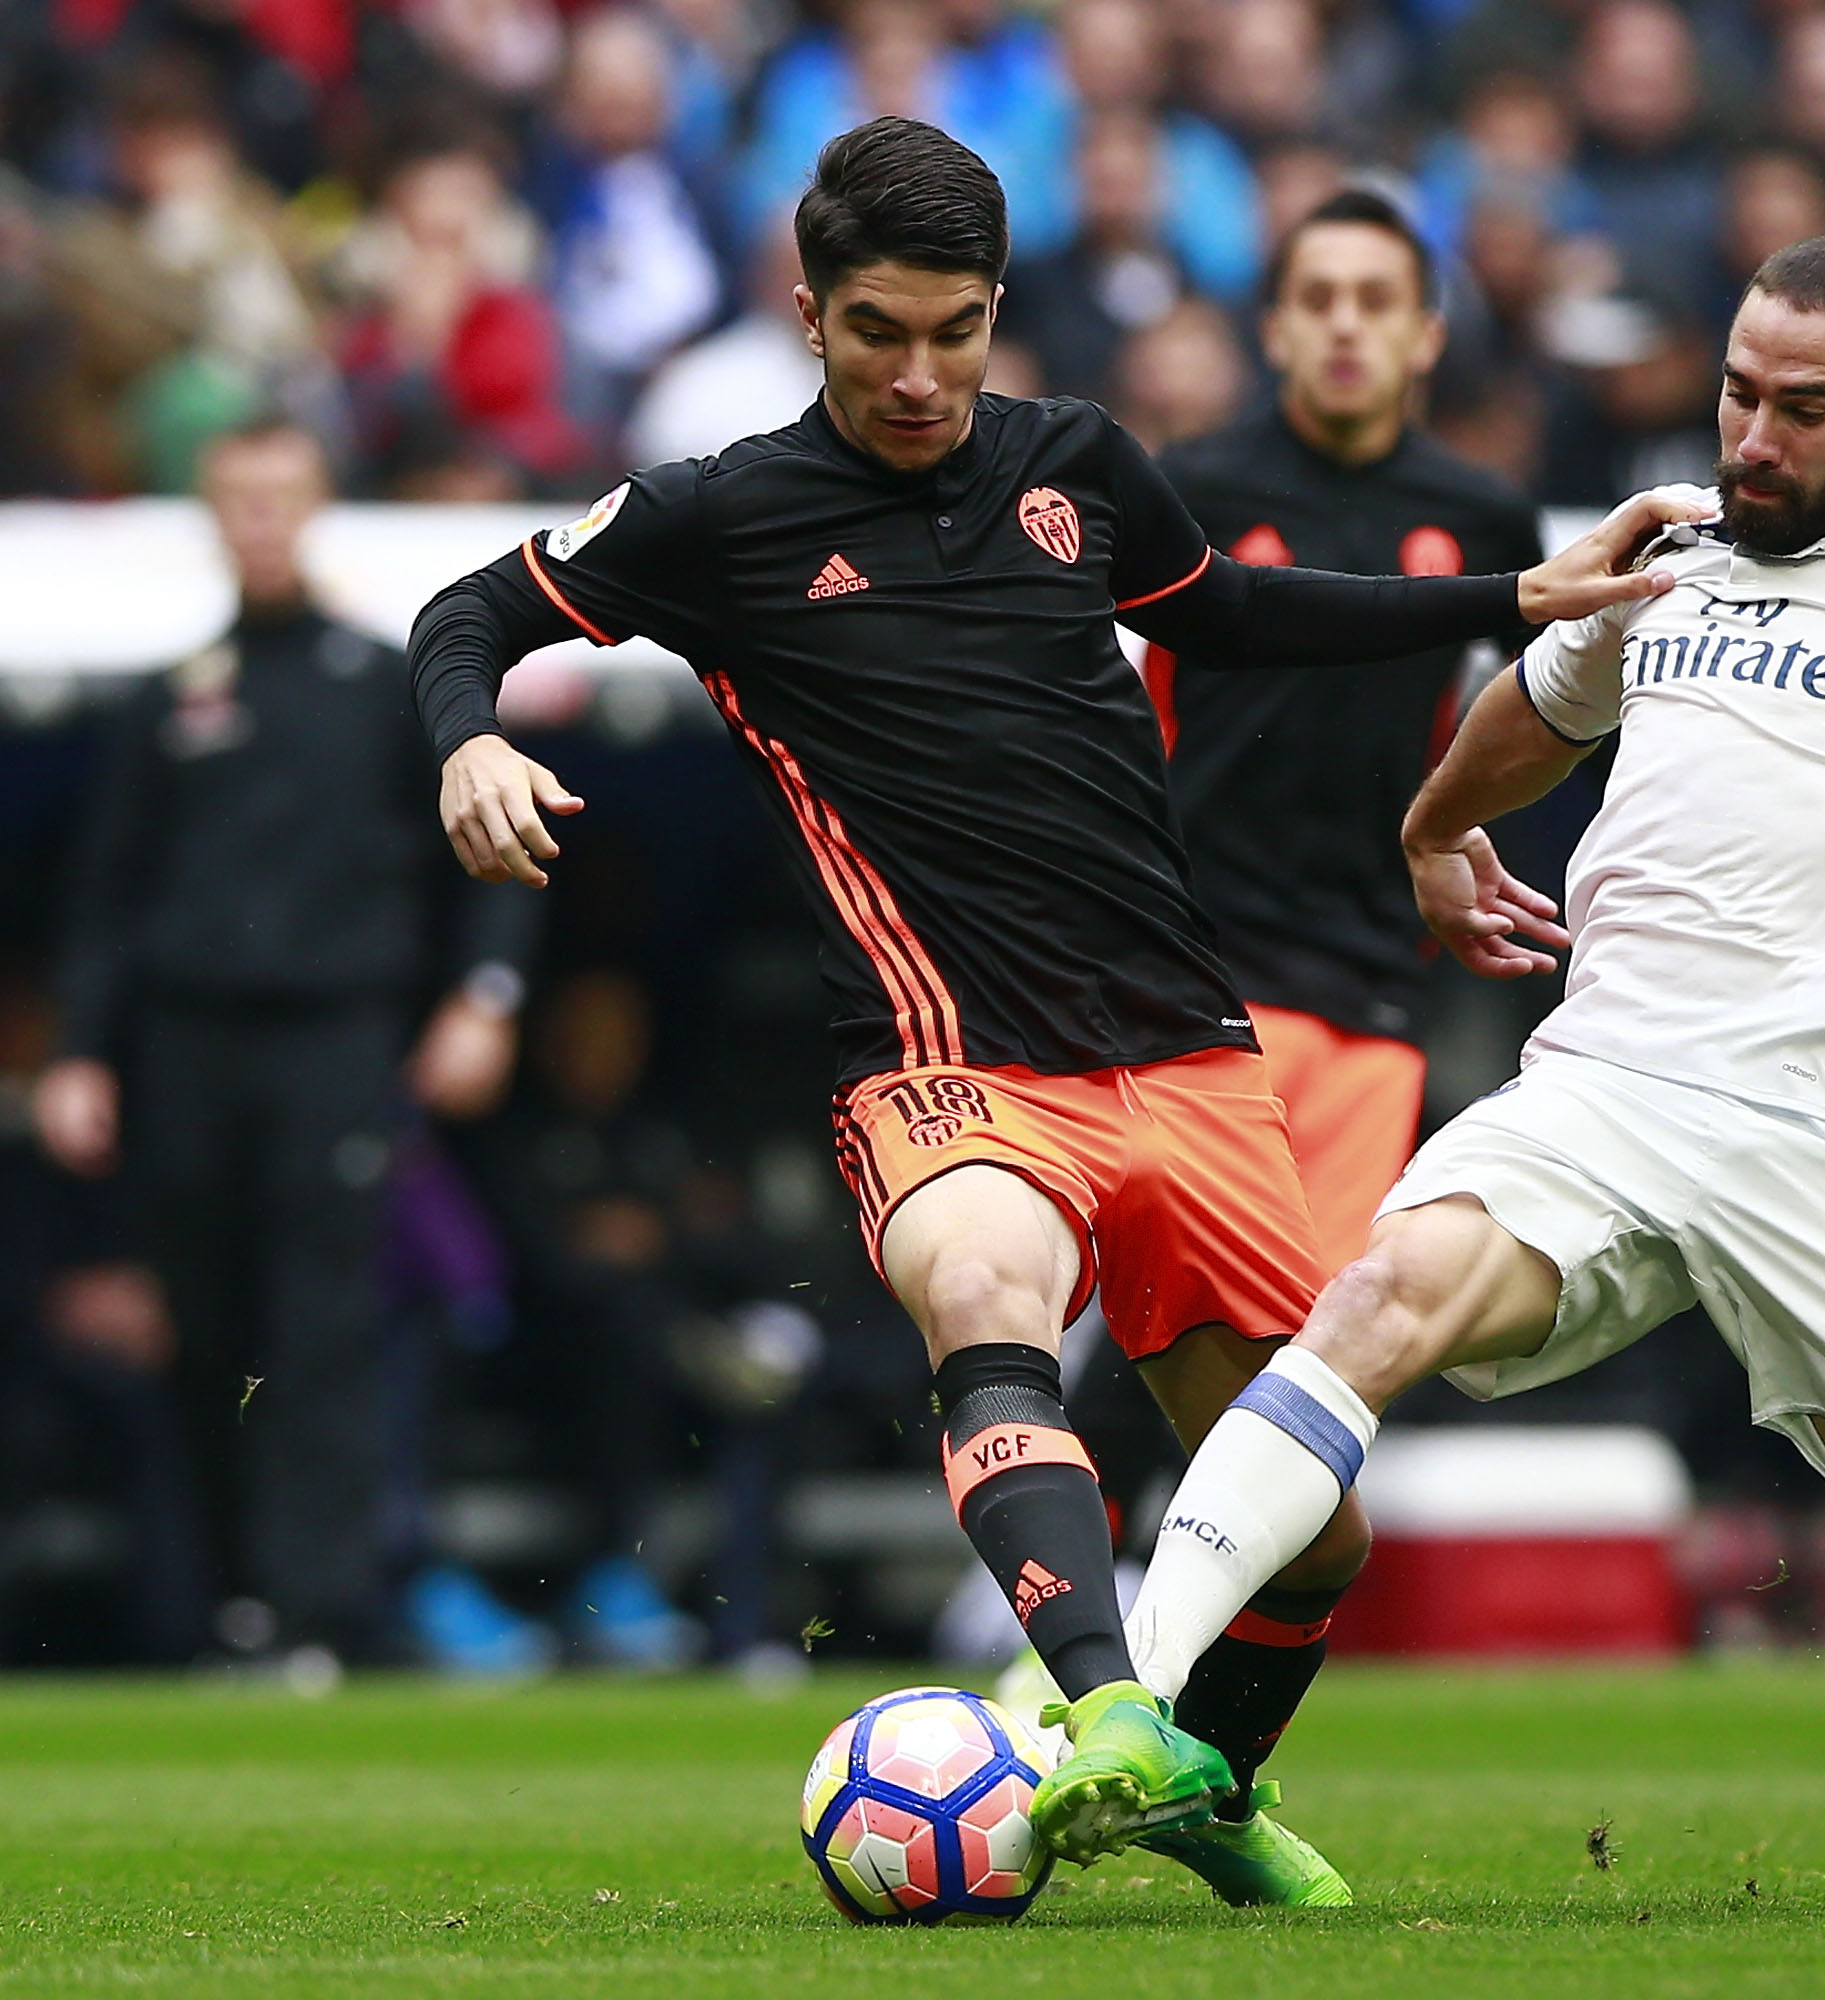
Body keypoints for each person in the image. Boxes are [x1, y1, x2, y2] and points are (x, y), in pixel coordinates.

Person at [404, 117, 1693, 1901]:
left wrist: (1516, 595)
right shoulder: (720, 516)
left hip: (1181, 1046)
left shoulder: (1077, 463)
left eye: (956, 332)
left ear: (998, 310)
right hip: (943, 1062)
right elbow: (470, 608)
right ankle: (1100, 1712)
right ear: (807, 313)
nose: (921, 375)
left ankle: (1200, 1797)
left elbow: (1234, 611)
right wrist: (470, 740)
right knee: (985, 1294)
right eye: (876, 334)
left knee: (1313, 1545)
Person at [1101, 235, 1825, 1906]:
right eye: (1739, 391)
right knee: (1375, 1304)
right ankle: (1124, 1712)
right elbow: (1539, 697)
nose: (1753, 437)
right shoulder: (1674, 544)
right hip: (1607, 1091)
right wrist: (1439, 828)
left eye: (1806, 409)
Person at [33, 419, 539, 1671]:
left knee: (325, 1330)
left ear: (316, 508)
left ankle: (320, 1610)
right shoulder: (174, 696)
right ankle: (231, 1602)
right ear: (211, 514)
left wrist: (485, 995)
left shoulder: (382, 682)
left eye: (279, 499)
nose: (259, 522)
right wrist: (79, 1052)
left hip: (336, 1040)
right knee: (197, 1327)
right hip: (183, 1046)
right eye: (238, 501)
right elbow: (105, 896)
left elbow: (490, 856)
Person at [1153, 188, 1543, 1262]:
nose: (1344, 324)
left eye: (1375, 301)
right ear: (1273, 328)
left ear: (1426, 335)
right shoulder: (1185, 491)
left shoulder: (1481, 516)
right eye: (1318, 299)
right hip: (1196, 964)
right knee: (1191, 1302)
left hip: (1376, 964)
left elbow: (1545, 715)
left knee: (1311, 1328)